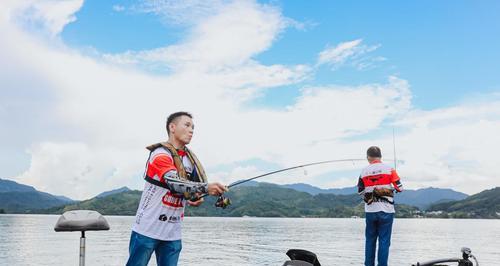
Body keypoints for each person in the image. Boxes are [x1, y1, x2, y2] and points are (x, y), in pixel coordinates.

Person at [126, 111, 227, 266]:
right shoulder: (160, 154)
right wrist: (206, 188)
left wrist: (196, 198)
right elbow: (174, 182)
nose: (191, 130)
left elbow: (192, 191)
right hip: (147, 229)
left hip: (173, 233)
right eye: (187, 125)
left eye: (193, 127)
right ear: (172, 127)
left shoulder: (190, 160)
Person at [357, 146, 403, 266]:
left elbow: (360, 191)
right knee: (384, 241)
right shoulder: (390, 169)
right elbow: (400, 188)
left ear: (368, 157)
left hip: (370, 211)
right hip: (386, 211)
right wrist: (387, 190)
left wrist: (372, 193)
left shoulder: (363, 171)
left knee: (370, 241)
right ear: (380, 156)